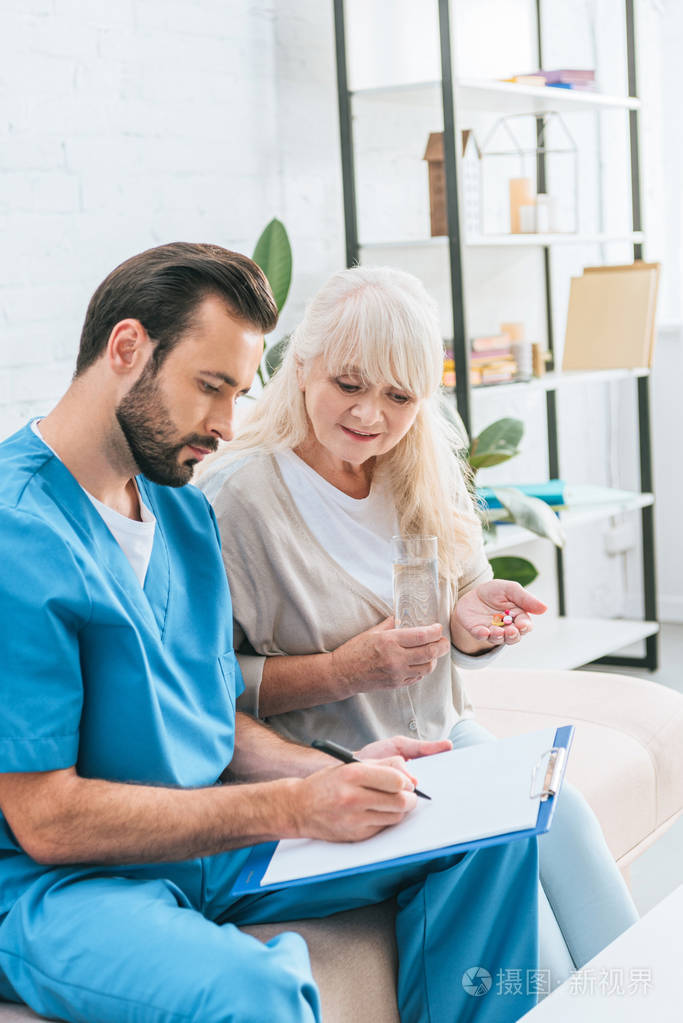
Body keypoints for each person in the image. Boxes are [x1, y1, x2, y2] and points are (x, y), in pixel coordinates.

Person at [0, 244, 542, 1023]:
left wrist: (334, 768)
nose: (228, 423)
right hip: (72, 885)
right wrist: (291, 806)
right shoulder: (18, 532)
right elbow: (47, 820)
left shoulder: (179, 509)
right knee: (259, 992)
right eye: (210, 387)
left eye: (239, 392)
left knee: (483, 829)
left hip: (209, 847)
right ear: (126, 350)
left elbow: (214, 719)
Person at [198, 264, 639, 984]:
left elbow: (460, 598)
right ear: (301, 365)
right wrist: (343, 670)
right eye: (349, 384)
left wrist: (469, 619)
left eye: (397, 395)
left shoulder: (415, 468)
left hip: (445, 738)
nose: (371, 414)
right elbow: (204, 690)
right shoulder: (236, 501)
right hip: (340, 758)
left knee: (566, 815)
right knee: (513, 868)